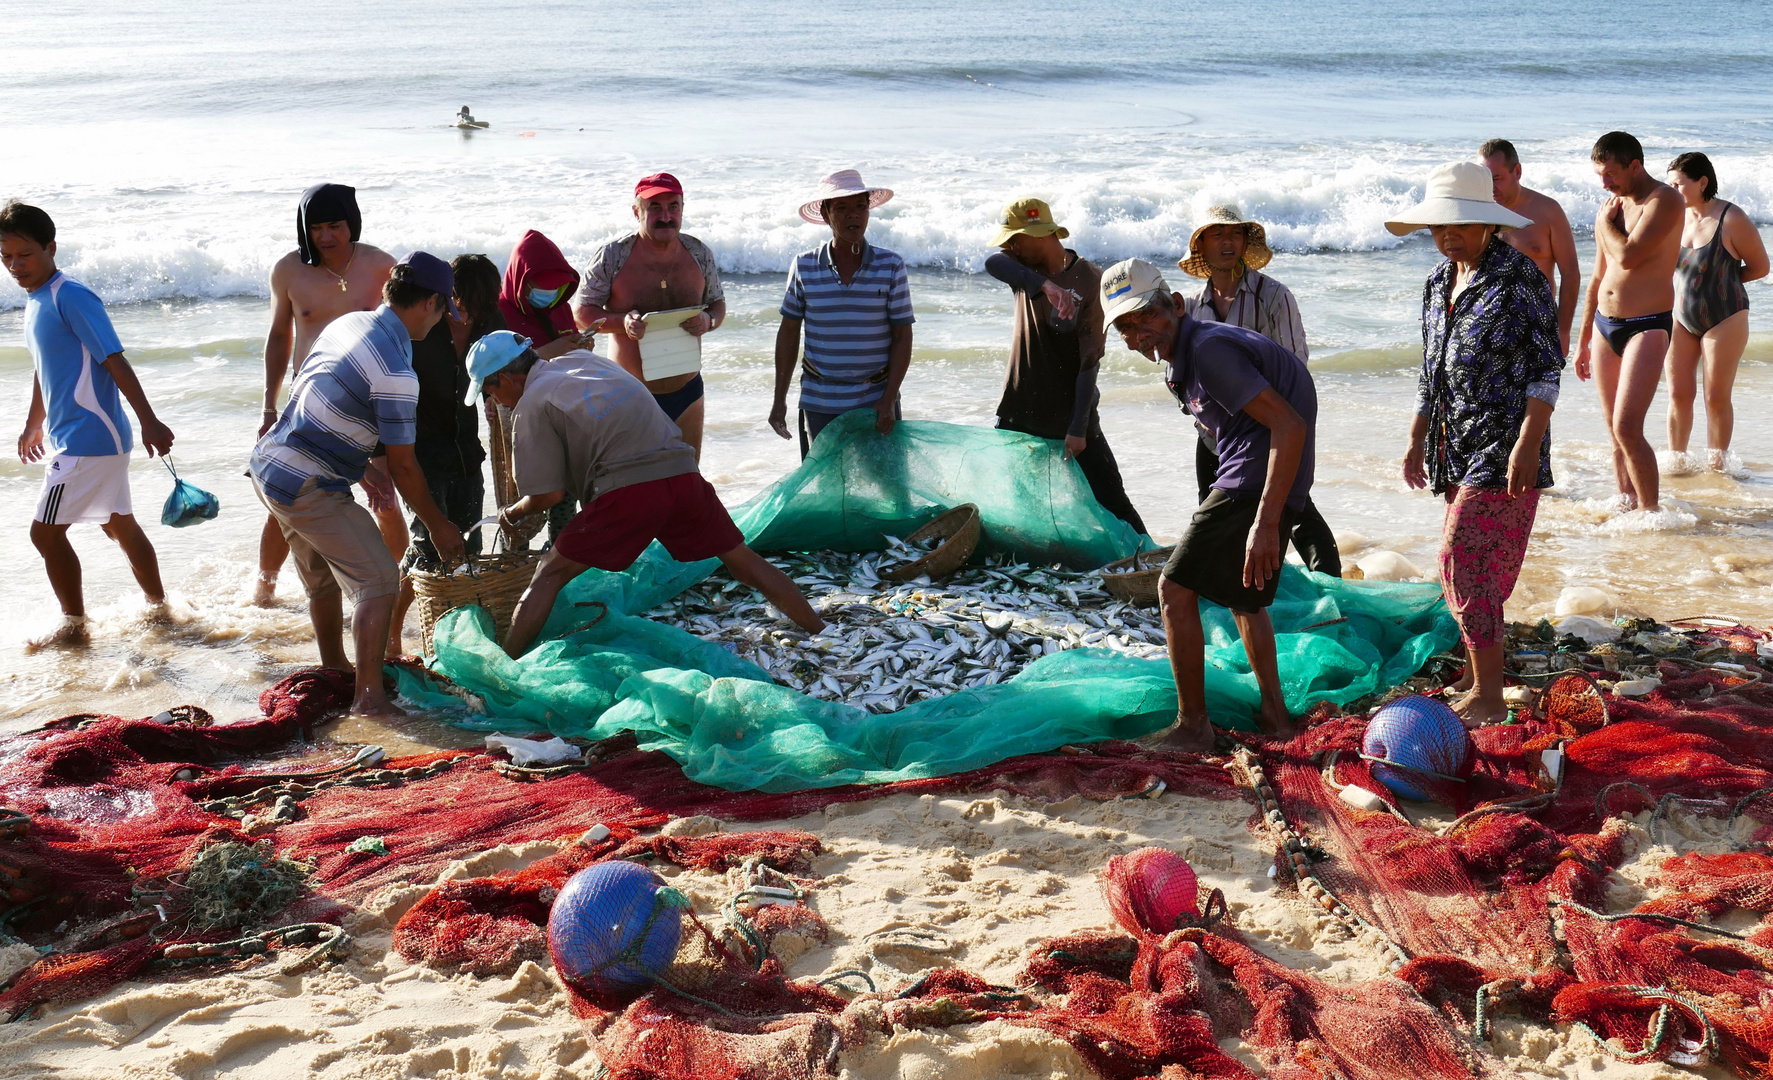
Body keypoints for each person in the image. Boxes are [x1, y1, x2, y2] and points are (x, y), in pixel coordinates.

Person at [464, 332, 825, 657]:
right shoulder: (584, 360)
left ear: (508, 377)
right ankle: (820, 630)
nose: (492, 399)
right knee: (741, 559)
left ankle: (506, 663)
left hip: (629, 490)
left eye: (489, 389)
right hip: (683, 473)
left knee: (549, 573)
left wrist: (510, 515)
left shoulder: (531, 403)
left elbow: (548, 496)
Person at [1101, 258, 1316, 750]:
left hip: (1253, 480)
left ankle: (1194, 728)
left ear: (1176, 306)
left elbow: (1290, 426)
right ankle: (1275, 716)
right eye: (1126, 328)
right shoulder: (1189, 355)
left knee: (1174, 590)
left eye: (1146, 318)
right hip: (1258, 475)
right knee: (1246, 594)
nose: (1138, 335)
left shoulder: (1210, 349)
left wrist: (1266, 519)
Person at [249, 252, 466, 717]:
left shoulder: (348, 324)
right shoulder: (396, 372)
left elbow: (318, 389)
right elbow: (405, 468)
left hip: (269, 467)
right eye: (443, 309)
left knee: (323, 582)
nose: (441, 319)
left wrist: (362, 463)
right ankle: (369, 698)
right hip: (308, 484)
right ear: (429, 302)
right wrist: (438, 525)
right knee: (380, 579)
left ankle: (336, 671)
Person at [1387, 163, 1563, 727]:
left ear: (1488, 224)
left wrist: (1527, 445)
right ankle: (1474, 673)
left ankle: (1490, 694)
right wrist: (1416, 438)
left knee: (1461, 561)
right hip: (1451, 442)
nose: (1446, 236)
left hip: (1505, 443)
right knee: (1474, 568)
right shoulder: (1438, 283)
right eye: (1438, 227)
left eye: (1459, 225)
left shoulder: (1520, 279)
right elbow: (1430, 370)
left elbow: (1546, 368)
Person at [2, 201, 176, 648]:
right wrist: (33, 424)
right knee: (119, 524)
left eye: (25, 254)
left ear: (50, 247)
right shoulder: (36, 300)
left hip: (88, 439)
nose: (15, 265)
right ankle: (161, 609)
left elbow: (113, 359)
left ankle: (74, 626)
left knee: (44, 534)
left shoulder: (70, 296)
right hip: (84, 437)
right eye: (5, 257)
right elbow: (47, 368)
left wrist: (150, 420)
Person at [256, 184, 405, 606]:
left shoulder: (380, 266)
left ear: (351, 224)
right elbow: (279, 337)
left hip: (370, 401)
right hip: (308, 404)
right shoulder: (288, 270)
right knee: (284, 495)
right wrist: (269, 405)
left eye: (335, 226)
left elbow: (404, 332)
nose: (326, 237)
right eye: (317, 227)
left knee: (384, 494)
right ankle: (263, 590)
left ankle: (383, 593)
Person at [1178, 205, 1338, 575]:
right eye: (1217, 234)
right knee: (1214, 520)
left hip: (1268, 431)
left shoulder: (1273, 297)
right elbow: (1180, 371)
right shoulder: (1188, 306)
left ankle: (1333, 592)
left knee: (1294, 513)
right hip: (1213, 436)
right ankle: (1233, 595)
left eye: (1235, 234)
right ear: (1201, 244)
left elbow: (1295, 366)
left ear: (1246, 242)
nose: (1228, 242)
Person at [982, 197, 1144, 533]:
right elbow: (992, 263)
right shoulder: (1023, 271)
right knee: (1018, 503)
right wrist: (1045, 286)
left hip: (1072, 414)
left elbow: (1089, 363)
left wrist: (1078, 428)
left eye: (1016, 237)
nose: (1010, 245)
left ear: (1042, 235)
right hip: (1018, 411)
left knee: (1114, 504)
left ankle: (1151, 568)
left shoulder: (1091, 280)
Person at [388, 253, 504, 651]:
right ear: (444, 297)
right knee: (425, 549)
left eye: (477, 309)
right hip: (418, 454)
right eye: (460, 305)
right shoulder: (418, 329)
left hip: (467, 454)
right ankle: (391, 635)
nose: (466, 317)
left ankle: (453, 639)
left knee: (467, 548)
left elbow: (515, 366)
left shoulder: (490, 323)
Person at [573, 173, 726, 456]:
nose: (665, 216)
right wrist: (623, 323)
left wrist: (709, 321)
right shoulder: (613, 255)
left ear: (682, 208)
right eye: (654, 207)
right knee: (635, 484)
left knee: (687, 478)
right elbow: (582, 314)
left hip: (688, 390)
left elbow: (717, 304)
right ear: (637, 211)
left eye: (673, 206)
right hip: (629, 393)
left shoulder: (699, 253)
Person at [1574, 131, 1683, 514]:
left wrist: (1603, 224)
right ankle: (1626, 504)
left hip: (1648, 324)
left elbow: (1629, 256)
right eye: (1599, 175)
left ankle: (1651, 515)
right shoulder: (1613, 206)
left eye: (1610, 174)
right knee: (1612, 429)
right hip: (1606, 326)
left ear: (1635, 166)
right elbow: (1598, 276)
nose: (1604, 183)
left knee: (1627, 427)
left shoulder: (1665, 200)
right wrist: (1583, 337)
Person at [770, 170, 915, 458]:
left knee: (890, 484)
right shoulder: (804, 266)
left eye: (860, 207)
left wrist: (888, 400)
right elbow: (788, 334)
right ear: (825, 214)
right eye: (842, 208)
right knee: (830, 490)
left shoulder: (891, 266)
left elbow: (903, 336)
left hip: (876, 398)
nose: (854, 216)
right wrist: (779, 400)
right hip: (820, 399)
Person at [1664, 151, 1770, 473]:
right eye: (1669, 184)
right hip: (1681, 317)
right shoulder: (1674, 218)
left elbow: (1761, 267)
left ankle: (1717, 468)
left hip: (1726, 317)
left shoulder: (1732, 218)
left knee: (1715, 397)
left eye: (1678, 184)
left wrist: (1721, 281)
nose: (1672, 191)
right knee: (1679, 393)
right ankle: (1677, 464)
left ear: (1702, 182)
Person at [1480, 139, 1581, 354]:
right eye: (1485, 180)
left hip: (1538, 325)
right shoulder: (1478, 216)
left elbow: (1570, 273)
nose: (1491, 188)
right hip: (1488, 325)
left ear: (1517, 171)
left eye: (1497, 179)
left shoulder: (1547, 211)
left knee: (1541, 389)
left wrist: (1563, 332)